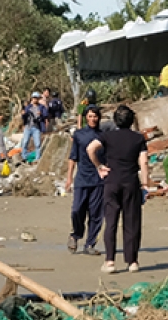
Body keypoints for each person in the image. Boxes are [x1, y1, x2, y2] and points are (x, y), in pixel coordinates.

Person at [90, 104, 150, 273]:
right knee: (132, 222)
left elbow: (90, 149)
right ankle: (132, 262)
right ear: (131, 121)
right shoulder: (139, 138)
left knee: (111, 222)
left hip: (112, 181)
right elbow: (144, 162)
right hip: (131, 182)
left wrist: (99, 166)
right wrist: (145, 184)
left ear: (115, 120)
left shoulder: (107, 136)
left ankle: (110, 261)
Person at [63, 106, 104, 255]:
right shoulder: (79, 135)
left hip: (99, 180)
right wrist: (69, 178)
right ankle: (75, 234)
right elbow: (73, 157)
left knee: (96, 214)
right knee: (76, 210)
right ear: (86, 117)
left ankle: (90, 244)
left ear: (99, 118)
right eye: (90, 116)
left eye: (95, 116)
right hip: (81, 178)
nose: (93, 119)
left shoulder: (103, 135)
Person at [20, 93, 44, 158]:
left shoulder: (41, 107)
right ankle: (24, 156)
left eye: (36, 98)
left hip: (36, 127)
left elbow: (45, 116)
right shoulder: (28, 107)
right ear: (32, 98)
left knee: (37, 143)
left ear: (38, 99)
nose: (35, 99)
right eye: (34, 98)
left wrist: (41, 114)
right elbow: (24, 117)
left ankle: (37, 158)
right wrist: (23, 114)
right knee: (25, 142)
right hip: (28, 127)